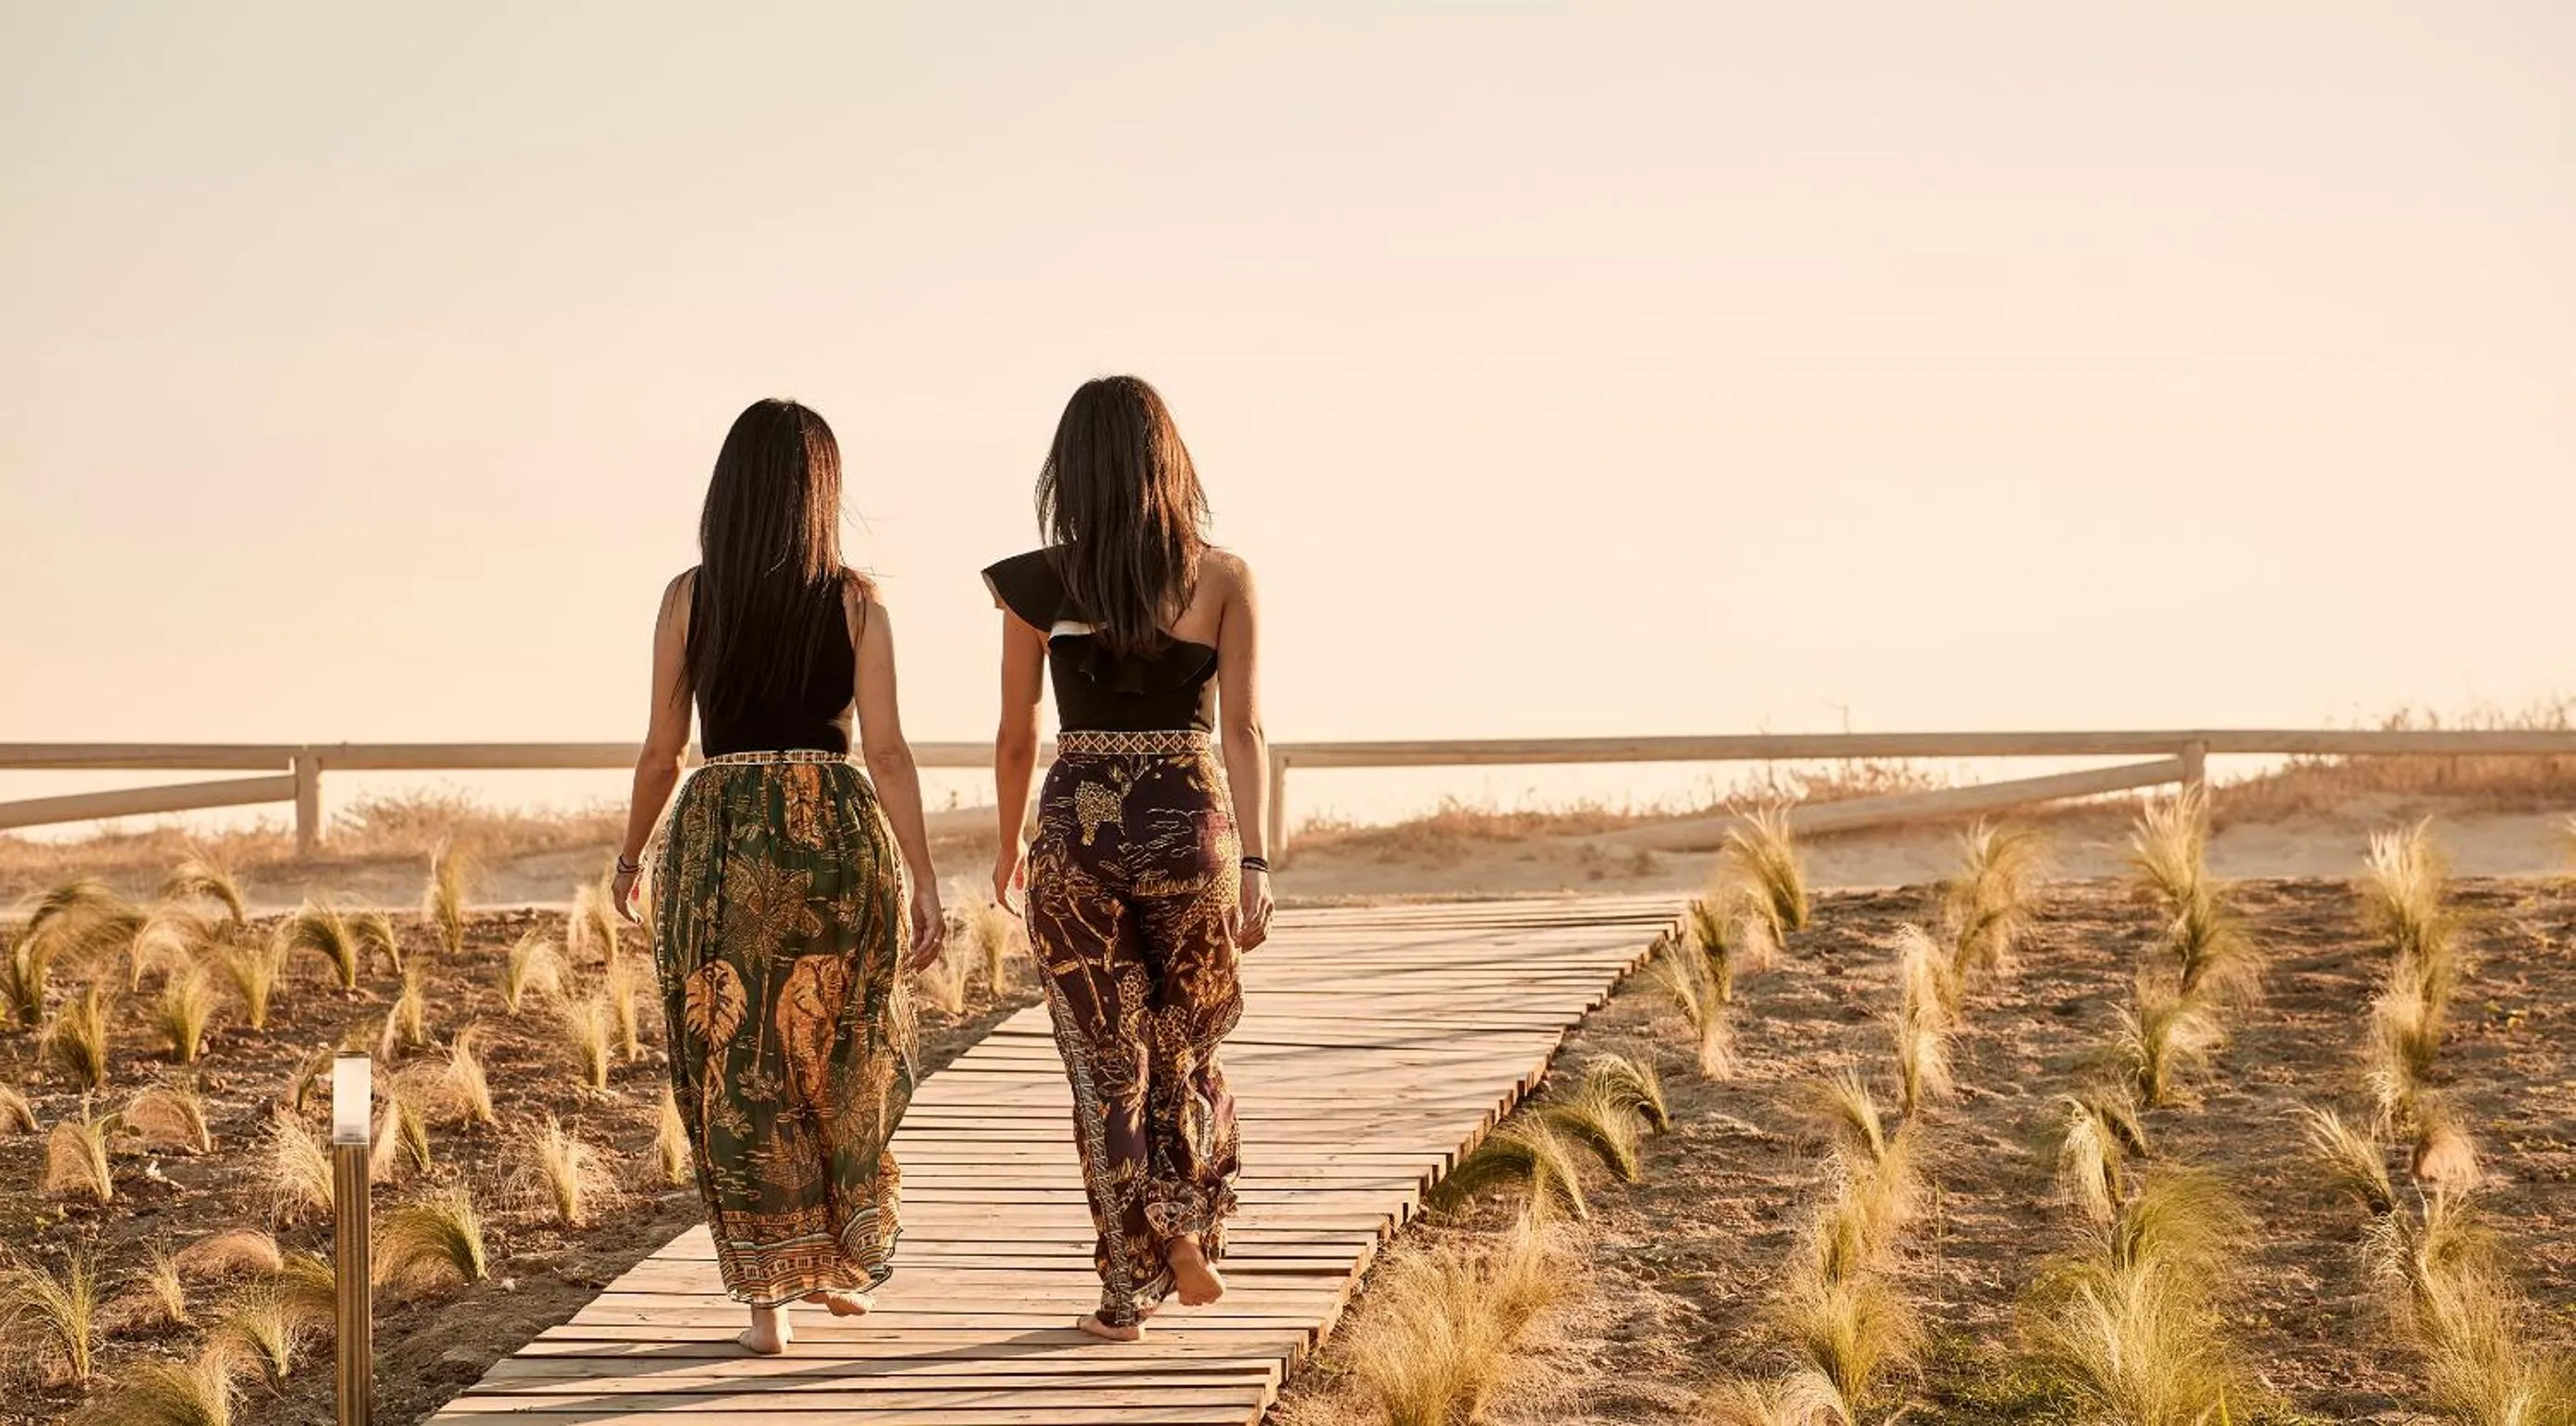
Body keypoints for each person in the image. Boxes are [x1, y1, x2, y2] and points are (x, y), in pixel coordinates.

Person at [611, 397, 945, 1356]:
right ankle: (832, 1252)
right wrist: (922, 877)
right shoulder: (856, 602)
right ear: (820, 493)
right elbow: (887, 753)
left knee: (738, 1067)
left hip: (722, 844)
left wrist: (632, 856)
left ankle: (775, 1300)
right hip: (831, 834)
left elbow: (660, 752)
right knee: (836, 1051)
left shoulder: (687, 596)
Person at [985, 375, 1275, 1342]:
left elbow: (1016, 736)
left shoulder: (1035, 583)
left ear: (1066, 471)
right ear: (1170, 461)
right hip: (1189, 828)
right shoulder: (1223, 576)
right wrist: (1257, 863)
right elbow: (1246, 731)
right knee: (1183, 1041)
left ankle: (1124, 1291)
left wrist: (1006, 845)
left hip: (1075, 831)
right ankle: (1185, 1218)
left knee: (1106, 1064)